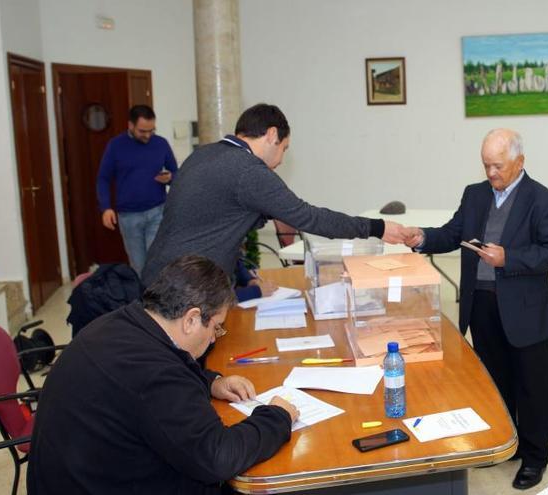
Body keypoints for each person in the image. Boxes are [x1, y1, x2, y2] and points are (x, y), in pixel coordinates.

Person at [27, 255, 299, 494]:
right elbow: (218, 457)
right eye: (216, 327)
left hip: (81, 478)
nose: (215, 339)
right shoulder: (154, 374)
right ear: (191, 319)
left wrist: (212, 382)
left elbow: (154, 385)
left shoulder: (122, 323)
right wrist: (277, 416)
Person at [404, 128, 548, 490]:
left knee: (533, 386)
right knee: (495, 380)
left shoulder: (543, 200)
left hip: (525, 310)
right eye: (486, 165)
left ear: (520, 162)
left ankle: (536, 455)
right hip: (481, 303)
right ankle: (506, 443)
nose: (491, 173)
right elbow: (453, 233)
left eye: (498, 166)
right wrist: (423, 237)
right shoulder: (474, 195)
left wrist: (509, 258)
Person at [141, 103, 406, 285]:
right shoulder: (248, 170)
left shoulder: (205, 153)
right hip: (184, 288)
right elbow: (310, 218)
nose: (280, 160)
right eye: (284, 148)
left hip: (161, 274)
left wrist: (245, 278)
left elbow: (218, 230)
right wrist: (377, 227)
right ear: (271, 135)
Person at [97, 104, 178, 275]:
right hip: (128, 217)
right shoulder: (115, 146)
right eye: (143, 131)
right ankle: (145, 301)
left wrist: (170, 178)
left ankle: (160, 301)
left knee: (156, 263)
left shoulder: (161, 144)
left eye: (151, 130)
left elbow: (177, 173)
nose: (148, 135)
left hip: (157, 212)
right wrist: (106, 208)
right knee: (139, 267)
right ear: (130, 126)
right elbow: (103, 178)